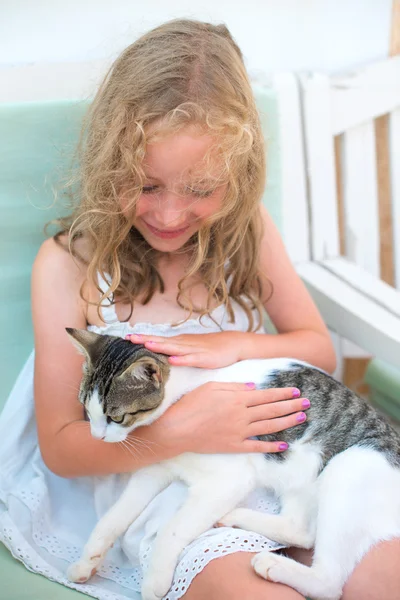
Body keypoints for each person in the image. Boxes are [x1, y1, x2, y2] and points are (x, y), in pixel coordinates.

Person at [1, 18, 398, 600]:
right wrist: (177, 431)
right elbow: (62, 447)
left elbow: (317, 348)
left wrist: (233, 346)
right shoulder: (70, 264)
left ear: (237, 176)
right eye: (147, 184)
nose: (168, 213)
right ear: (112, 163)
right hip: (164, 486)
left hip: (284, 470)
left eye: (201, 189)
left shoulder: (249, 235)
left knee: (385, 579)